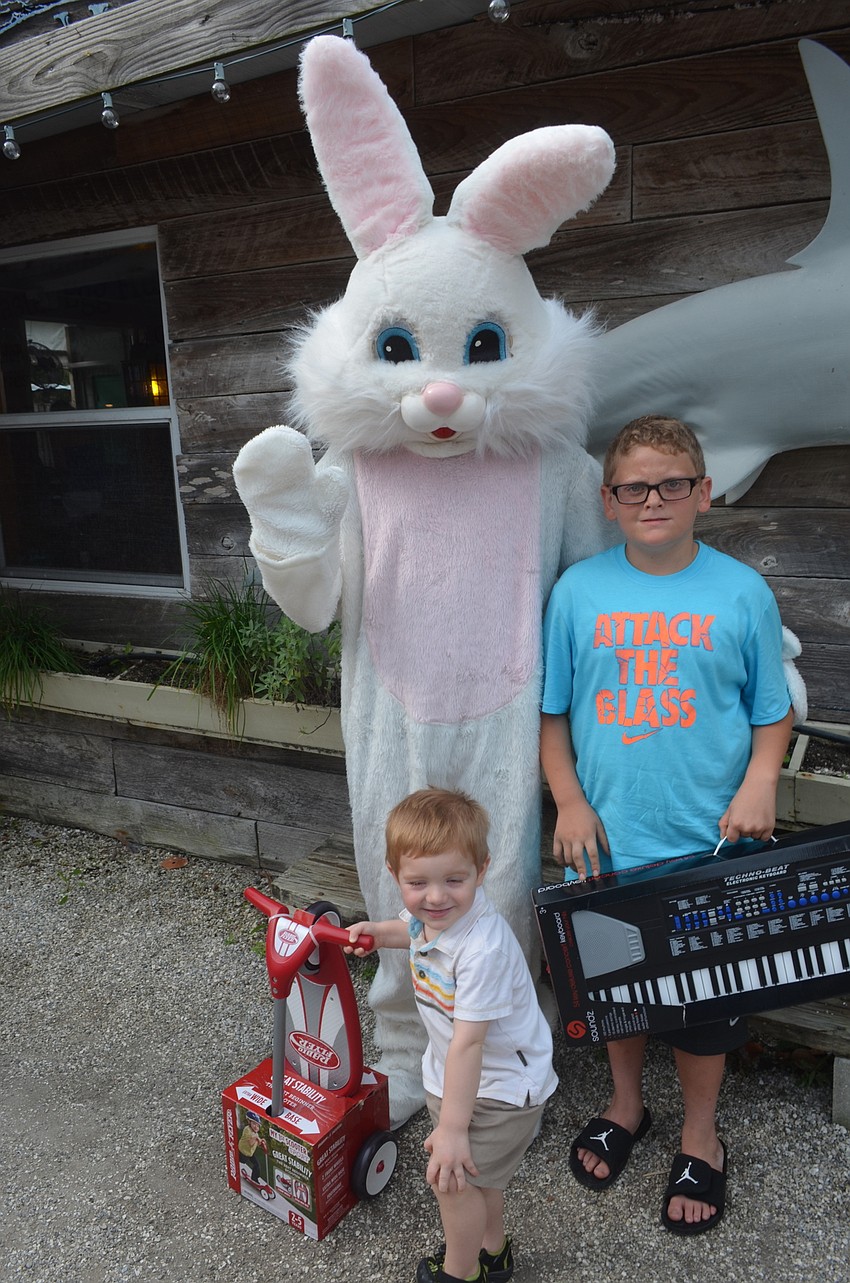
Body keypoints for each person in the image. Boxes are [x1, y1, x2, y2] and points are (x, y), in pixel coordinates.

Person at [540, 414, 794, 1236]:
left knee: (702, 998)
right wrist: (568, 799)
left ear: (703, 493)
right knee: (618, 993)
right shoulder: (578, 592)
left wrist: (762, 780)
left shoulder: (740, 591)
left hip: (711, 841)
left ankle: (698, 1133)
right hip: (608, 840)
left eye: (672, 483)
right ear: (609, 501)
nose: (654, 498)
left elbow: (770, 712)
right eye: (634, 487)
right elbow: (553, 715)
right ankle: (625, 1104)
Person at [346, 787, 557, 1283]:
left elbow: (470, 1043)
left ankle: (460, 1273)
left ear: (482, 872)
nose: (436, 897)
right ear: (395, 875)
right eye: (418, 883)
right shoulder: (432, 918)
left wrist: (453, 1129)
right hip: (455, 1077)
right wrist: (377, 932)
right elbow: (412, 929)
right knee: (477, 1181)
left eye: (454, 880)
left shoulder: (482, 950)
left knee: (452, 1181)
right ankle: (493, 1252)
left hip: (501, 1088)